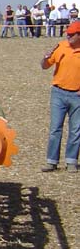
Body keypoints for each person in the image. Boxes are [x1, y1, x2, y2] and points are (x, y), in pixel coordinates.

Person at [40, 21, 80, 172]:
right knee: (55, 128)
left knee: (76, 129)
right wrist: (45, 58)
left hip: (77, 96)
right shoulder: (61, 46)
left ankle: (71, 161)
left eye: (72, 34)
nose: (68, 36)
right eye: (67, 33)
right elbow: (45, 66)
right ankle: (51, 161)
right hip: (58, 93)